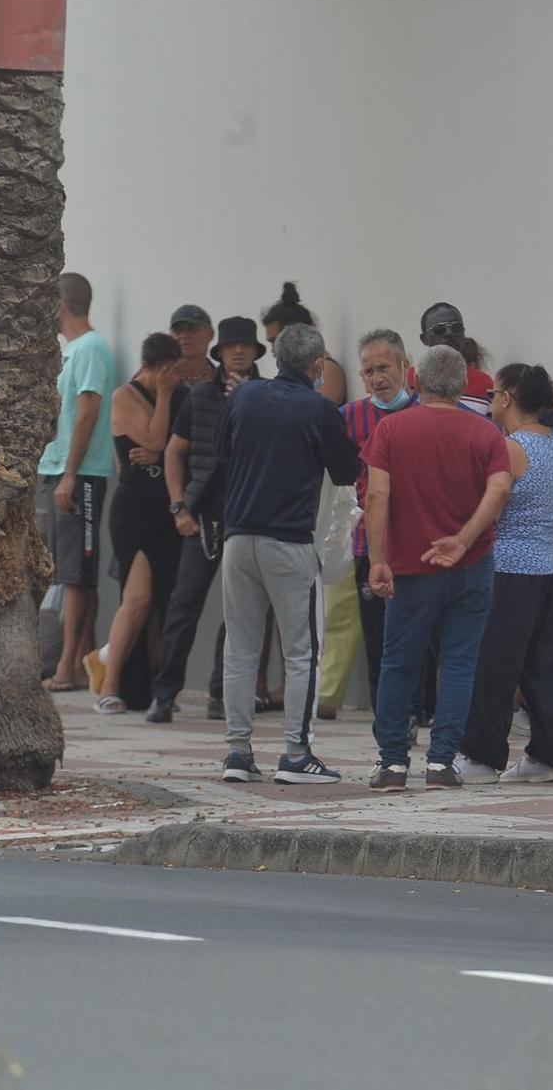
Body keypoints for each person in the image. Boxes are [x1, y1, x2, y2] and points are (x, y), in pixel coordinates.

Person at [363, 344, 513, 790]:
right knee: (459, 663)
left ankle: (392, 763)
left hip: (410, 566)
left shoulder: (391, 430)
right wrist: (464, 539)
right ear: (464, 384)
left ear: (416, 380)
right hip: (471, 566)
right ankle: (441, 763)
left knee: (398, 664)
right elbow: (501, 488)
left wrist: (377, 559)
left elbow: (376, 496)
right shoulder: (485, 433)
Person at [216, 324, 361, 782]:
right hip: (289, 542)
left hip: (238, 539)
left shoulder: (243, 397)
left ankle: (238, 753)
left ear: (276, 357)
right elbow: (344, 471)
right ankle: (297, 754)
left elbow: (222, 454)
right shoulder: (319, 409)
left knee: (240, 648)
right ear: (318, 365)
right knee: (302, 651)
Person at [457, 364, 553, 784]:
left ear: (506, 398)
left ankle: (481, 757)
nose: (490, 402)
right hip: (546, 567)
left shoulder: (509, 448)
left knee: (494, 664)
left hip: (507, 568)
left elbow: (492, 504)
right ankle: (548, 754)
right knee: (543, 665)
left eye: (493, 394)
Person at [145, 316, 266, 723]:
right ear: (219, 352)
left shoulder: (267, 396)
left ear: (255, 351)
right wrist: (179, 507)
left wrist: (248, 403)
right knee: (184, 606)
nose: (237, 352)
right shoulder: (199, 397)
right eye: (231, 346)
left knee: (239, 611)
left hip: (248, 517)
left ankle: (222, 694)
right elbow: (174, 452)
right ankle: (164, 695)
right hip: (202, 516)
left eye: (245, 346)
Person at [316, 329, 415, 721]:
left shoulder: (423, 414)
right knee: (368, 630)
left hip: (413, 540)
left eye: (384, 368)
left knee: (412, 631)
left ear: (405, 367)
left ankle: (414, 708)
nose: (377, 378)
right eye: (369, 371)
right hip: (361, 541)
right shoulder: (349, 417)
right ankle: (381, 710)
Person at [88, 333, 184, 715]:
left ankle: (155, 687)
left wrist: (163, 447)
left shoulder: (182, 397)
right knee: (138, 599)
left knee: (163, 603)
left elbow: (173, 445)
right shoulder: (125, 396)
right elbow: (156, 438)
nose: (171, 380)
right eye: (166, 373)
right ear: (152, 367)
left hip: (169, 508)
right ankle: (108, 685)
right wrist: (161, 398)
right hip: (135, 510)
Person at [38, 273, 117, 693]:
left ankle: (66, 666)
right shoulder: (71, 352)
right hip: (55, 469)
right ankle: (83, 659)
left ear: (60, 303)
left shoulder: (90, 349)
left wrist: (70, 474)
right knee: (67, 569)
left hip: (81, 474)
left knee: (76, 573)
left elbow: (88, 412)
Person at [261, 282, 345, 404]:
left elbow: (314, 414)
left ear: (294, 335)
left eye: (275, 341)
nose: (273, 349)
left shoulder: (326, 370)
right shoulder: (296, 371)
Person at [415, 302, 494, 416]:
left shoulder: (483, 383)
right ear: (424, 339)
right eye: (439, 329)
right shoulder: (410, 381)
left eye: (456, 328)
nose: (449, 333)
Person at [166, 304, 216, 393]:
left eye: (191, 329)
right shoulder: (159, 380)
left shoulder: (225, 380)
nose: (184, 335)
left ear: (211, 334)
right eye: (178, 330)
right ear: (170, 336)